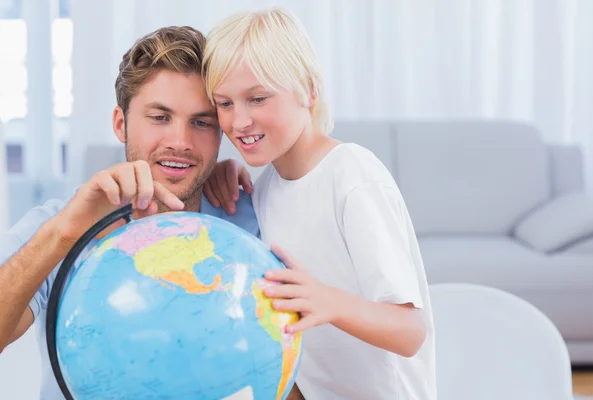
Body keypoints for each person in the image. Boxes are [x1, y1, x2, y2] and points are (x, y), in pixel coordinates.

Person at [0, 26, 258, 399]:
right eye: (159, 117)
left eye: (202, 122)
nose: (180, 143)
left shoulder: (249, 219)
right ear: (121, 124)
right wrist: (65, 234)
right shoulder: (56, 226)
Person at [202, 7, 437, 400]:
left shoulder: (351, 173)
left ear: (309, 90)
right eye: (224, 104)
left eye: (257, 98)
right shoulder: (265, 192)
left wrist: (327, 300)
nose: (238, 121)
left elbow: (410, 331)